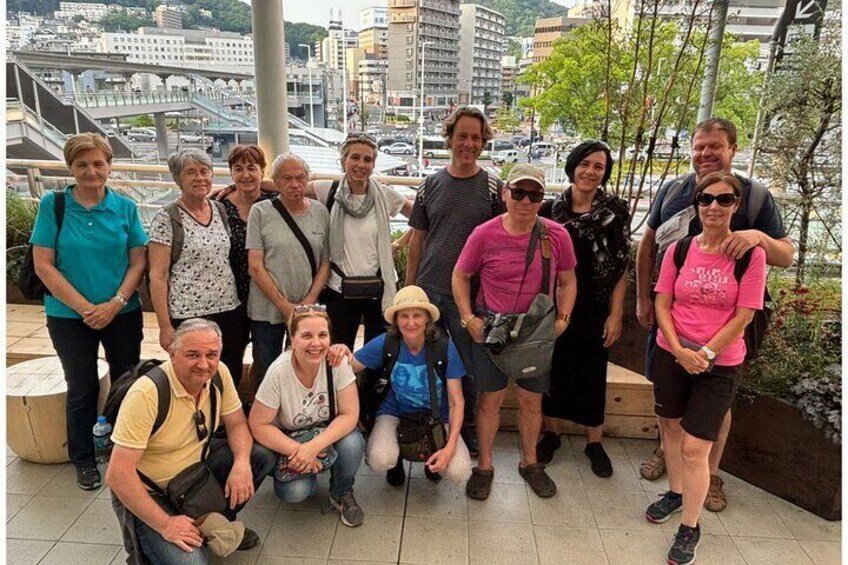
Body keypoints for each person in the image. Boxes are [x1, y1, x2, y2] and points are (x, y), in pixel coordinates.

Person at [635, 118, 793, 511]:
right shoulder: (672, 191)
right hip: (673, 315)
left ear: (732, 150)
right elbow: (649, 245)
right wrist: (643, 300)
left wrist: (757, 236)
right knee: (669, 395)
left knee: (716, 402)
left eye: (715, 147)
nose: (706, 154)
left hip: (728, 326)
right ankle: (670, 459)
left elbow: (787, 255)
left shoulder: (753, 197)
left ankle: (711, 471)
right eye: (700, 146)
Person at [644, 172, 767, 565]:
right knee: (670, 428)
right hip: (672, 353)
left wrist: (706, 353)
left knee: (696, 447)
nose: (714, 206)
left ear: (736, 205)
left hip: (720, 362)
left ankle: (690, 526)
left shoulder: (749, 254)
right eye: (706, 199)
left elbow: (745, 313)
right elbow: (662, 302)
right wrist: (679, 350)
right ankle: (676, 493)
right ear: (697, 204)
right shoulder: (678, 250)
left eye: (724, 199)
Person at [452, 164, 577, 501]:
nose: (525, 200)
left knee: (531, 400)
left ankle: (530, 461)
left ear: (541, 199)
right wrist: (468, 319)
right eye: (518, 192)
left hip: (535, 330)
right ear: (505, 193)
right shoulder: (484, 234)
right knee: (489, 399)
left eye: (534, 194)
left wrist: (562, 319)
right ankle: (486, 466)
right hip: (492, 327)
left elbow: (567, 280)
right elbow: (460, 276)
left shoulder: (556, 235)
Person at [106, 319, 277, 564]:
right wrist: (165, 524)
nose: (203, 364)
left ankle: (214, 521)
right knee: (193, 562)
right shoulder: (146, 393)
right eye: (192, 354)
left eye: (212, 354)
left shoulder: (220, 374)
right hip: (152, 491)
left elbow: (237, 423)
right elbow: (117, 475)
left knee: (259, 456)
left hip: (194, 477)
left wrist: (241, 464)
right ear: (172, 353)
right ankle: (152, 538)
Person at [31, 133, 147, 491]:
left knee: (126, 382)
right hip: (69, 317)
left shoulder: (125, 207)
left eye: (99, 163)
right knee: (80, 386)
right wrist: (86, 309)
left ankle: (122, 450)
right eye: (82, 164)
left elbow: (138, 260)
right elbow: (44, 265)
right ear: (71, 167)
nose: (92, 171)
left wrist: (114, 303)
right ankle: (83, 458)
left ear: (109, 165)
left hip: (122, 312)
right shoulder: (54, 205)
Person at [406, 106, 504, 454]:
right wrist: (410, 289)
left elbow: (505, 237)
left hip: (474, 297)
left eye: (475, 137)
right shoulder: (430, 184)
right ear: (450, 138)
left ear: (483, 142)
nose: (468, 143)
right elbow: (418, 239)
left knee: (472, 364)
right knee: (431, 360)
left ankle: (471, 428)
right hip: (431, 290)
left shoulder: (493, 186)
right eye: (462, 135)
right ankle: (434, 420)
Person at [537, 140, 631, 477]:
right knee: (553, 369)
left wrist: (616, 314)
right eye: (585, 164)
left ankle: (594, 442)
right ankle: (552, 433)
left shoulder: (615, 212)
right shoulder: (549, 211)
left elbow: (622, 266)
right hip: (556, 303)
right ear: (573, 166)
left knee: (593, 373)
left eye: (599, 167)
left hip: (595, 304)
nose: (590, 171)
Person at [248, 306, 366, 527]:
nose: (316, 343)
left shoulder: (336, 362)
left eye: (322, 335)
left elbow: (350, 414)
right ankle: (297, 472)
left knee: (353, 442)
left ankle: (341, 493)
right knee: (296, 491)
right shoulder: (279, 371)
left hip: (323, 433)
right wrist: (299, 452)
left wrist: (314, 446)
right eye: (306, 335)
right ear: (292, 338)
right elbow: (258, 424)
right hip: (290, 440)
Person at [343, 286, 472, 486]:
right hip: (394, 411)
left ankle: (433, 456)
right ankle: (396, 461)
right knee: (380, 460)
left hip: (438, 415)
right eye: (404, 316)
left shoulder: (445, 347)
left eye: (417, 316)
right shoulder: (387, 343)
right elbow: (347, 369)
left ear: (427, 319)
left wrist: (450, 447)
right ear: (396, 320)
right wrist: (337, 350)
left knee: (459, 471)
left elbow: (457, 402)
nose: (411, 323)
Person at [306, 133, 413, 350]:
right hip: (339, 289)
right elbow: (292, 186)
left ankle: (369, 386)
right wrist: (234, 189)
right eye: (355, 157)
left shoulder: (383, 194)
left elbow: (421, 217)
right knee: (336, 350)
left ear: (373, 164)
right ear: (343, 160)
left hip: (379, 288)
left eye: (367, 159)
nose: (361, 165)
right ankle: (341, 385)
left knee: (378, 352)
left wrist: (401, 241)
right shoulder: (329, 190)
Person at [148, 149, 244, 384]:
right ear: (178, 179)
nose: (200, 177)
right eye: (191, 172)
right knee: (194, 376)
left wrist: (232, 187)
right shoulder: (167, 217)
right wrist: (164, 326)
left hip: (228, 309)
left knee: (229, 373)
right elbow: (158, 275)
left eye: (205, 171)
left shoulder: (219, 209)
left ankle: (223, 419)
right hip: (188, 314)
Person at [246, 153, 330, 386]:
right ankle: (262, 418)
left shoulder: (320, 212)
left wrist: (308, 301)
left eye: (300, 178)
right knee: (267, 367)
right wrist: (284, 306)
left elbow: (325, 261)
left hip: (308, 309)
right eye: (287, 179)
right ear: (276, 181)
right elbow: (255, 265)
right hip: (267, 309)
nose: (295, 184)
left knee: (302, 367)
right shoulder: (260, 212)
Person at [214, 145, 277, 390]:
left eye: (252, 168)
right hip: (231, 297)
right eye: (238, 169)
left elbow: (293, 184)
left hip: (266, 294)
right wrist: (230, 190)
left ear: (263, 171)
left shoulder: (274, 202)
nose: (245, 175)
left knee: (265, 359)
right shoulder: (218, 205)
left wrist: (265, 185)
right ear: (230, 172)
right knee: (230, 358)